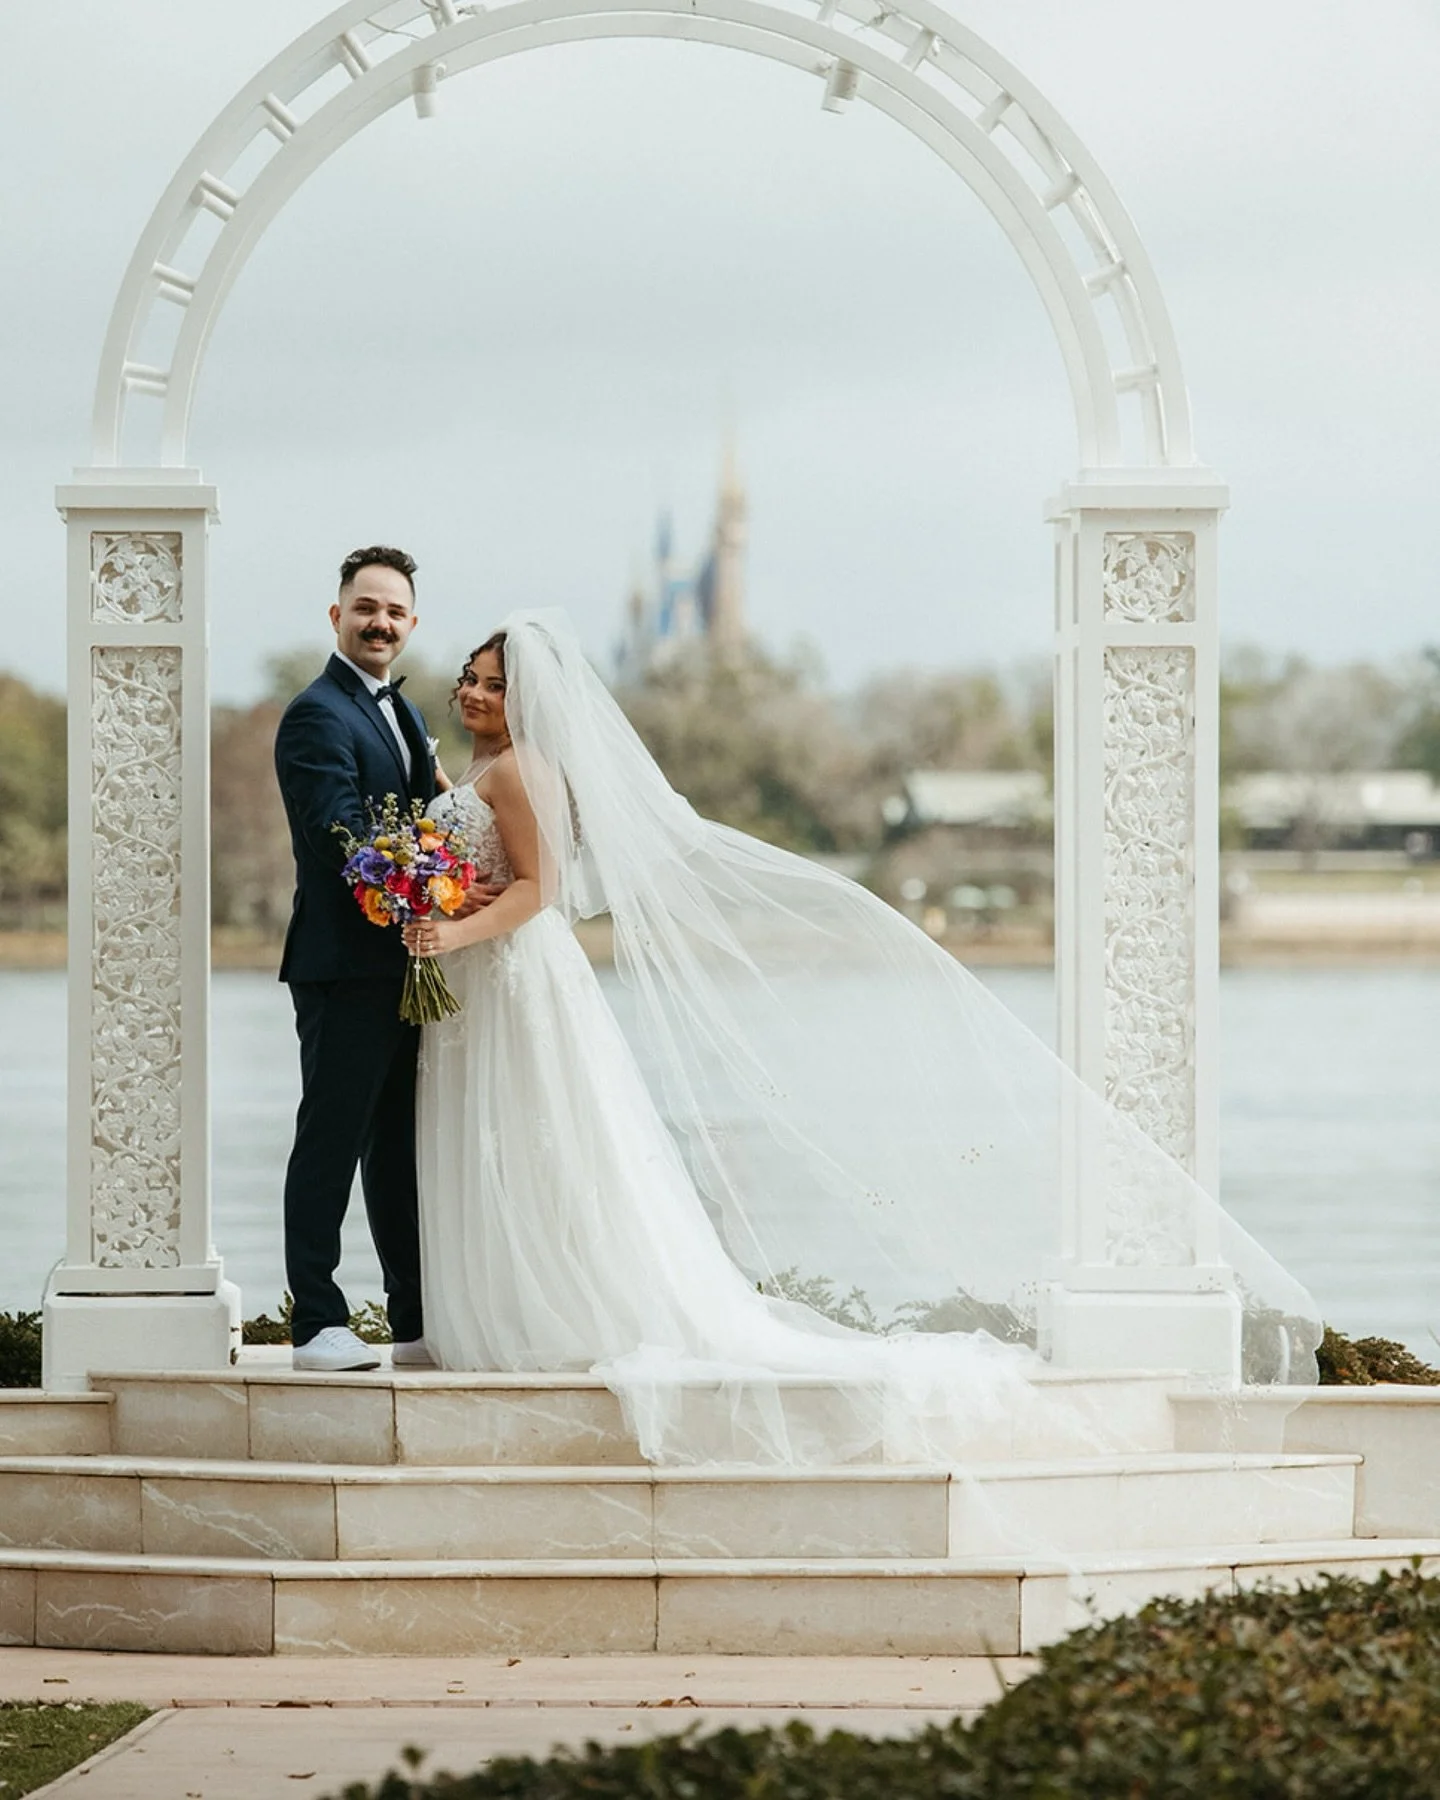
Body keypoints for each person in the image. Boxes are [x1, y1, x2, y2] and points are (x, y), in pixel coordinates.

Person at [403, 610, 1321, 1467]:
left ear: (529, 701)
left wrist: (447, 930)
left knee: (541, 1141)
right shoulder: (479, 770)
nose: (477, 695)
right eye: (472, 681)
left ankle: (555, 1313)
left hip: (515, 979)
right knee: (498, 1145)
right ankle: (504, 1308)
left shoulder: (523, 771)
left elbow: (540, 889)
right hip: (482, 982)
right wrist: (432, 885)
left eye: (495, 685)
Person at [273, 546, 457, 1372]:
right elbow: (339, 830)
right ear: (336, 614)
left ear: (411, 624)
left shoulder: (405, 713)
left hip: (406, 963)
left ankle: (411, 1320)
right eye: (366, 607)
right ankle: (315, 1322)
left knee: (395, 1147)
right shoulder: (317, 714)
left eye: (395, 611)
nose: (380, 621)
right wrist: (415, 892)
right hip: (343, 963)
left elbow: (431, 819)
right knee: (332, 1138)